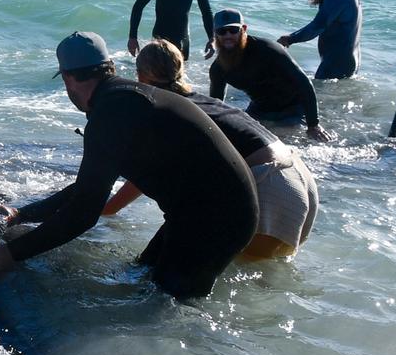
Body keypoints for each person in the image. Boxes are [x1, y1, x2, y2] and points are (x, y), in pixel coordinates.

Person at [0, 31, 258, 299]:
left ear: (68, 78)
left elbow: (84, 213)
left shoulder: (110, 115)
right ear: (108, 67)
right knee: (143, 275)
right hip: (212, 211)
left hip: (216, 218)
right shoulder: (124, 100)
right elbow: (88, 188)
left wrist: (11, 253)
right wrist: (21, 214)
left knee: (163, 305)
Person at [105, 40, 319, 259]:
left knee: (247, 281)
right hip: (298, 176)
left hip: (269, 184)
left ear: (141, 76)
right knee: (261, 276)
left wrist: (105, 210)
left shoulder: (167, 112)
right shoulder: (203, 101)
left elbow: (145, 174)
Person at [208, 8, 332, 141]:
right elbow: (216, 105)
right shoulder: (218, 69)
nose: (227, 36)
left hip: (293, 109)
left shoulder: (268, 49)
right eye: (222, 31)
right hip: (259, 111)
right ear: (215, 34)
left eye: (233, 30)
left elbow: (304, 84)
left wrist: (313, 124)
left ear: (243, 29)